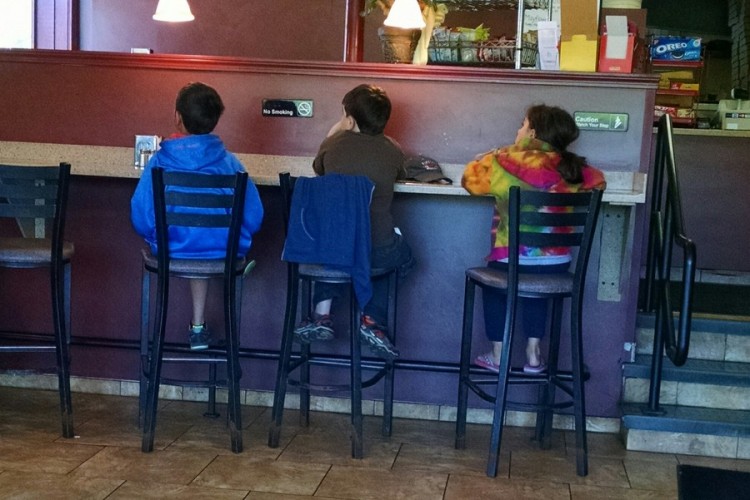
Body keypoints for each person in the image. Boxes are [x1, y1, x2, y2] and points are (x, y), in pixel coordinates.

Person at [461, 104, 606, 374]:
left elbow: (469, 180)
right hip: (557, 263)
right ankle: (533, 350)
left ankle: (497, 352)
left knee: (496, 285)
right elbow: (599, 182)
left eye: (522, 124)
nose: (518, 130)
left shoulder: (502, 160)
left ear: (532, 133)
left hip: (509, 258)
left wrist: (492, 154)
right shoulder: (575, 168)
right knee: (537, 286)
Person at [131, 82, 264, 350]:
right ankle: (198, 327)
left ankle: (186, 334)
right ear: (215, 121)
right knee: (205, 242)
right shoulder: (232, 164)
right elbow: (254, 216)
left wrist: (158, 237)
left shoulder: (160, 162)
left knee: (192, 243)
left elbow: (141, 215)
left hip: (172, 249)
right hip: (223, 254)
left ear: (177, 117)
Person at [295, 83, 415, 359]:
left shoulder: (333, 145)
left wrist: (338, 129)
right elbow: (400, 172)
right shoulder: (392, 150)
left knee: (338, 248)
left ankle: (321, 315)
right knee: (395, 260)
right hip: (378, 248)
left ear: (349, 119)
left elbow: (318, 169)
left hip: (335, 248)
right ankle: (372, 319)